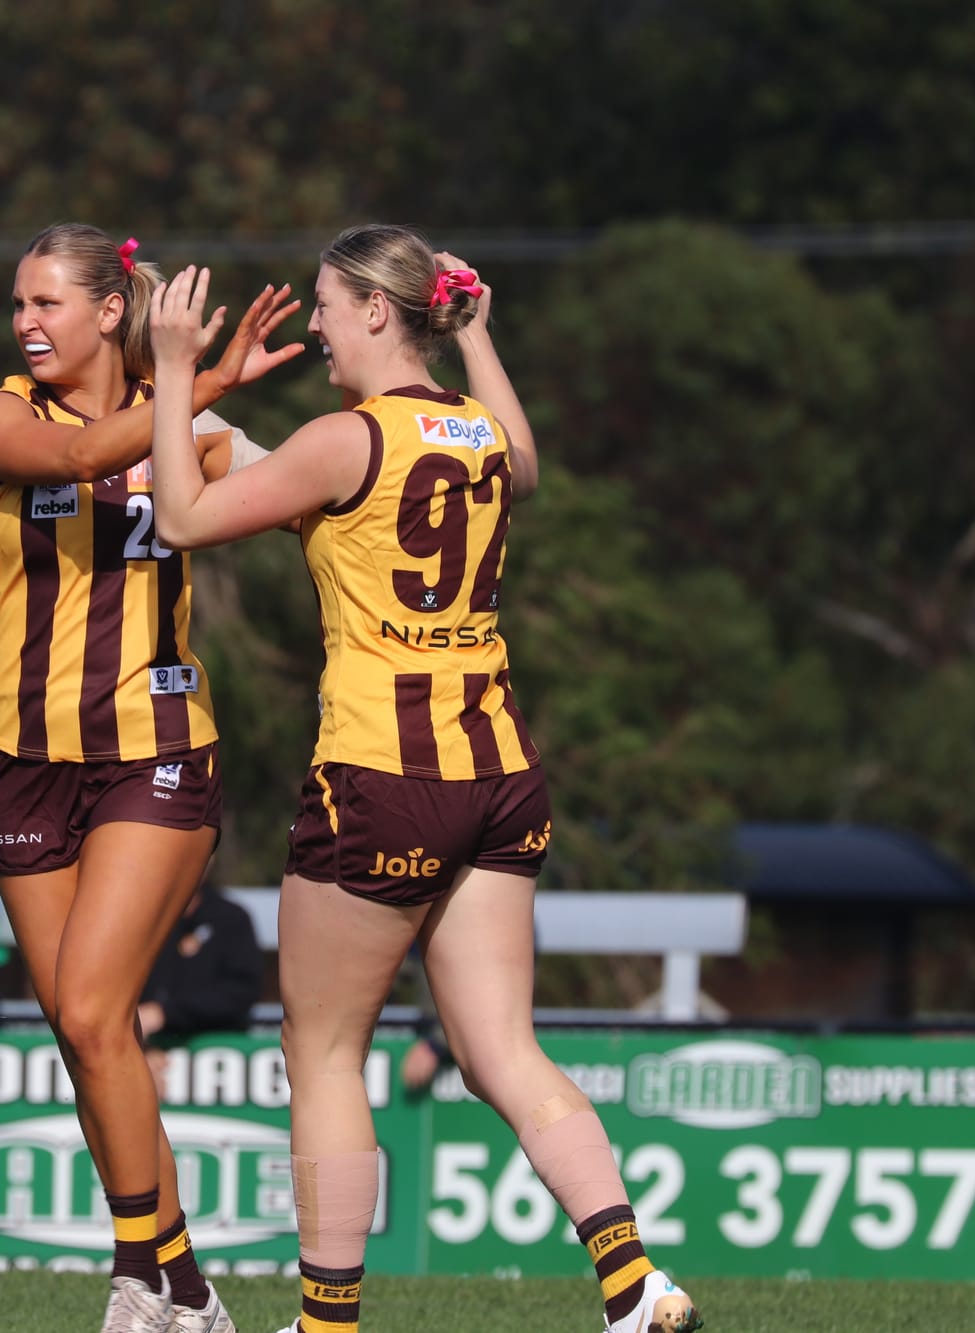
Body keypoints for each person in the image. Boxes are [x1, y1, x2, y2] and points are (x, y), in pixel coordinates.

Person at [147, 228, 702, 1333]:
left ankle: (326, 1323)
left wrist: (169, 375)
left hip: (380, 775)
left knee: (323, 1048)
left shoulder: (346, 437)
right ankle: (634, 1284)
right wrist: (479, 338)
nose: (311, 324)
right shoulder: (473, 431)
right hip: (495, 771)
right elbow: (523, 463)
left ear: (371, 311)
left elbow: (180, 518)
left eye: (323, 304)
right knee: (503, 1049)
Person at [0, 222, 299, 1333]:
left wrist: (216, 399)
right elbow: (67, 461)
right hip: (22, 760)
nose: (25, 322)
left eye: (47, 302)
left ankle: (136, 1279)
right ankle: (187, 1286)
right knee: (81, 1030)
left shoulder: (190, 420)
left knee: (99, 1008)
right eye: (19, 303)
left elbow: (305, 508)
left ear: (110, 311)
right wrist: (192, 390)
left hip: (152, 752)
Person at [139, 879, 263, 1042]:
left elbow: (242, 992)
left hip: (220, 1046)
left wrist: (165, 1013)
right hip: (145, 1045)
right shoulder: (140, 917)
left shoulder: (231, 918)